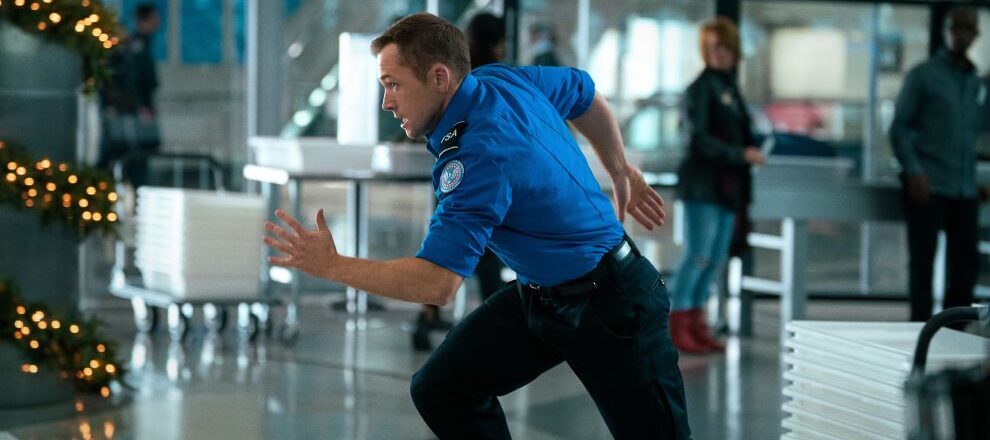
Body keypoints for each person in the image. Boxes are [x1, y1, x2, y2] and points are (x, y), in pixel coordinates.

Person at [264, 13, 689, 439]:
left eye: (394, 85)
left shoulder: (477, 155)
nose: (386, 103)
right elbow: (585, 92)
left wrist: (333, 265)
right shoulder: (501, 81)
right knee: (442, 388)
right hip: (542, 295)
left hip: (612, 303)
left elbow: (437, 283)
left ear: (439, 77)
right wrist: (618, 168)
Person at [409, 11, 510, 352]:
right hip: (484, 175)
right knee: (489, 254)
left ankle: (426, 317)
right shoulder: (496, 77)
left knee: (444, 247)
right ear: (498, 42)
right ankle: (499, 326)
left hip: (451, 172)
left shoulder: (456, 72)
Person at [670, 17, 765, 354]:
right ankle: (677, 323)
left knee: (713, 259)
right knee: (697, 256)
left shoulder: (728, 88)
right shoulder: (701, 89)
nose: (717, 54)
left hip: (725, 188)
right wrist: (740, 154)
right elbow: (696, 141)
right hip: (703, 186)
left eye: (723, 47)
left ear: (734, 50)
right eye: (711, 48)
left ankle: (696, 322)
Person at [889, 7, 988, 324]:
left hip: (963, 189)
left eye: (968, 28)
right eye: (956, 27)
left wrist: (973, 180)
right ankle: (920, 330)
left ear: (976, 34)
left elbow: (971, 135)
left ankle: (953, 330)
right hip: (928, 185)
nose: (962, 33)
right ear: (946, 30)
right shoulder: (923, 75)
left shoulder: (974, 82)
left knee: (965, 266)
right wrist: (914, 171)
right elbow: (899, 127)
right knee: (923, 263)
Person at [97, 3, 161, 188]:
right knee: (129, 155)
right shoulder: (133, 48)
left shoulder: (139, 45)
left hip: (130, 110)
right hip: (129, 112)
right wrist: (140, 106)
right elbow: (132, 81)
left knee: (129, 155)